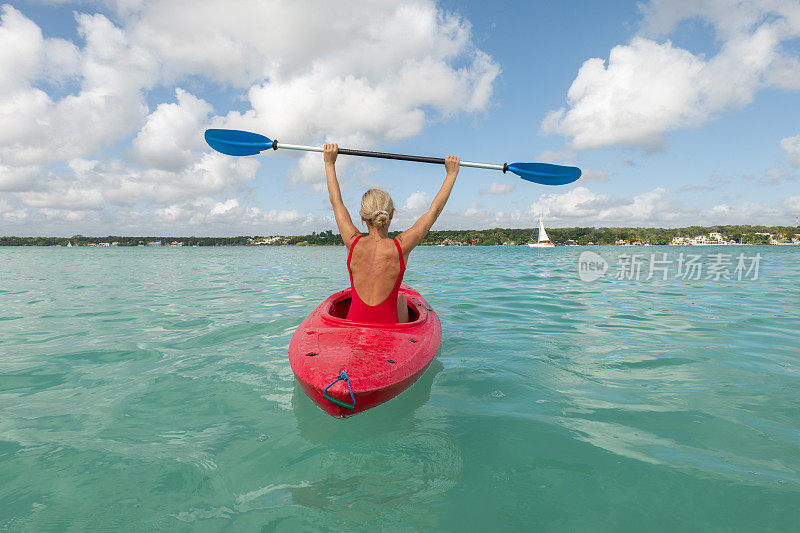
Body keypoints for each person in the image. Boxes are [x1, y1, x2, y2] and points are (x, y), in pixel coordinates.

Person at [324, 143, 459, 324]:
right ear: (392, 214)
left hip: (354, 326)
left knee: (399, 299)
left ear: (362, 217)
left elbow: (337, 203)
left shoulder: (352, 242)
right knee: (401, 299)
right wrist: (451, 174)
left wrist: (329, 163)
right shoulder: (401, 247)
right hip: (390, 329)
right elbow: (433, 211)